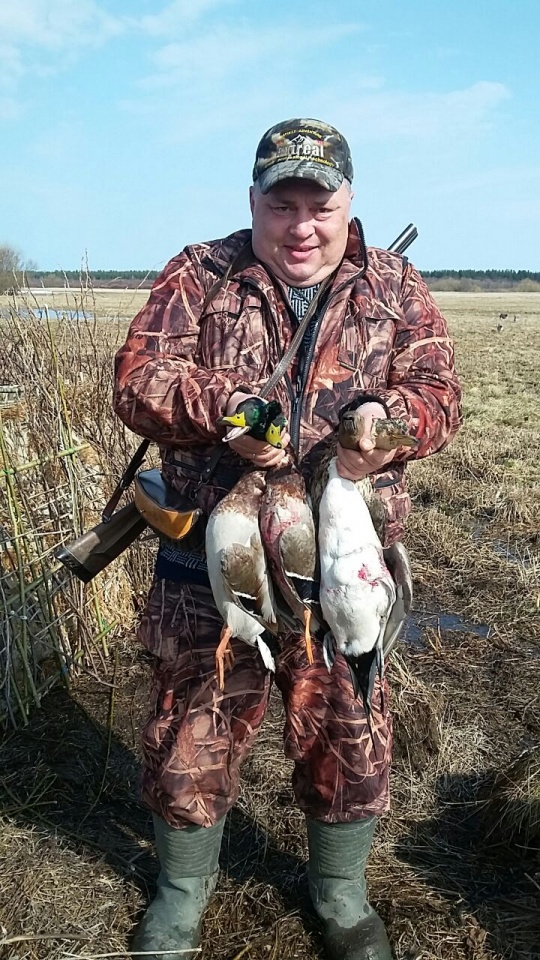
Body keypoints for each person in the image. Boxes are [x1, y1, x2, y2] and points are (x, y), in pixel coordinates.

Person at [113, 118, 462, 960]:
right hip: (212, 561)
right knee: (189, 737)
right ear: (253, 202)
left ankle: (340, 896)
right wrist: (227, 409)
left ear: (349, 203)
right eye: (282, 205)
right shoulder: (201, 274)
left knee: (348, 730)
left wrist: (386, 424)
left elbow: (439, 392)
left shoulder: (394, 286)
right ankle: (180, 896)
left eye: (320, 205)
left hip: (342, 568)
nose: (301, 226)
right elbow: (138, 381)